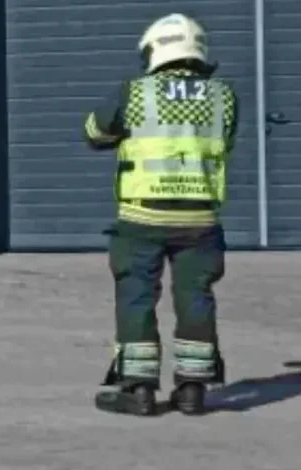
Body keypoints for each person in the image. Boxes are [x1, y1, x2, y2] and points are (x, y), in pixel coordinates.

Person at [85, 13, 239, 416]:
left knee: (137, 297)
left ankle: (137, 390)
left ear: (154, 50)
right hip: (200, 221)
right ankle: (192, 389)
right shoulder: (223, 96)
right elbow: (226, 141)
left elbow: (95, 133)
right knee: (196, 298)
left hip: (142, 218)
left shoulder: (134, 92)